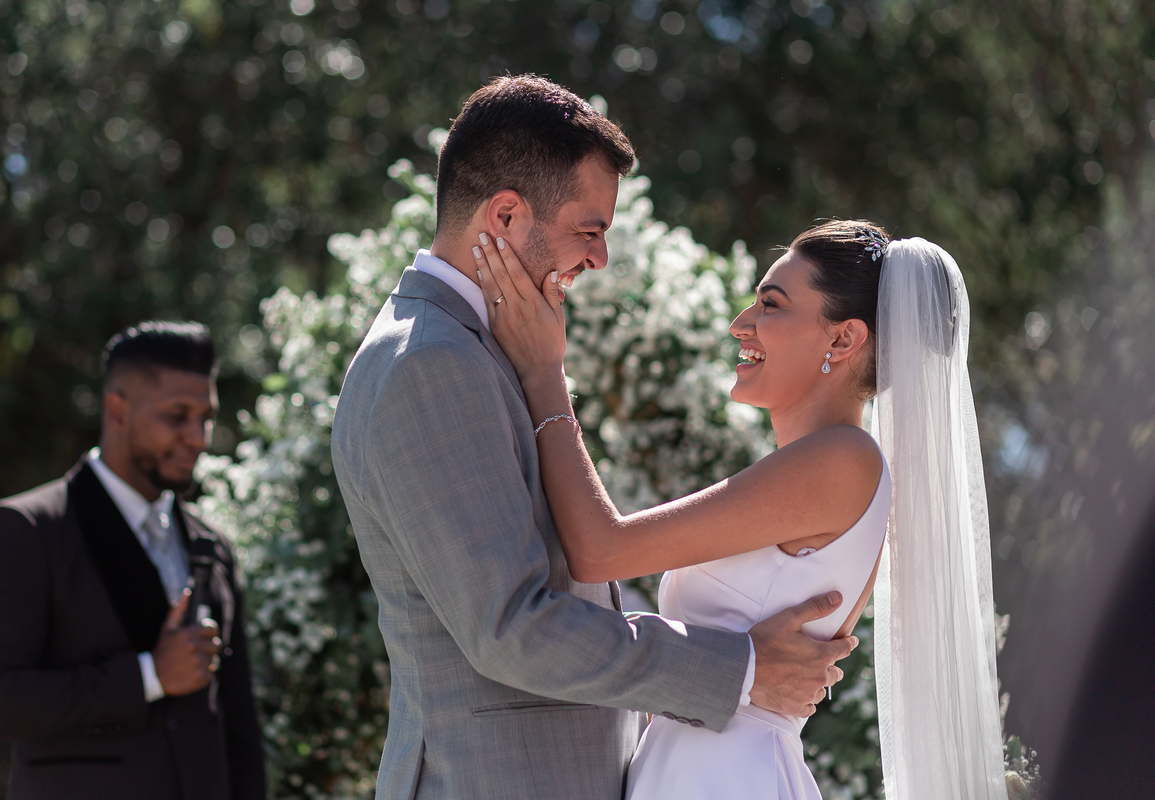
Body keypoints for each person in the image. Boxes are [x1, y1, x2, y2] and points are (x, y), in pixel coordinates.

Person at [330, 75, 857, 800]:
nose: (599, 259)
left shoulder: (477, 352)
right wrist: (739, 668)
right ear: (507, 215)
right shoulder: (431, 365)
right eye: (590, 231)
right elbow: (510, 629)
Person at [477, 220, 1008, 799]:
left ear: (842, 339)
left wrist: (544, 370)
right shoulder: (817, 467)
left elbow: (601, 549)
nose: (740, 324)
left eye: (771, 305)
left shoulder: (843, 460)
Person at [0, 321, 266, 800]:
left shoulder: (212, 547)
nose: (198, 437)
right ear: (117, 409)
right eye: (176, 416)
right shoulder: (25, 530)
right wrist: (148, 676)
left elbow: (239, 729)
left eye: (205, 416)